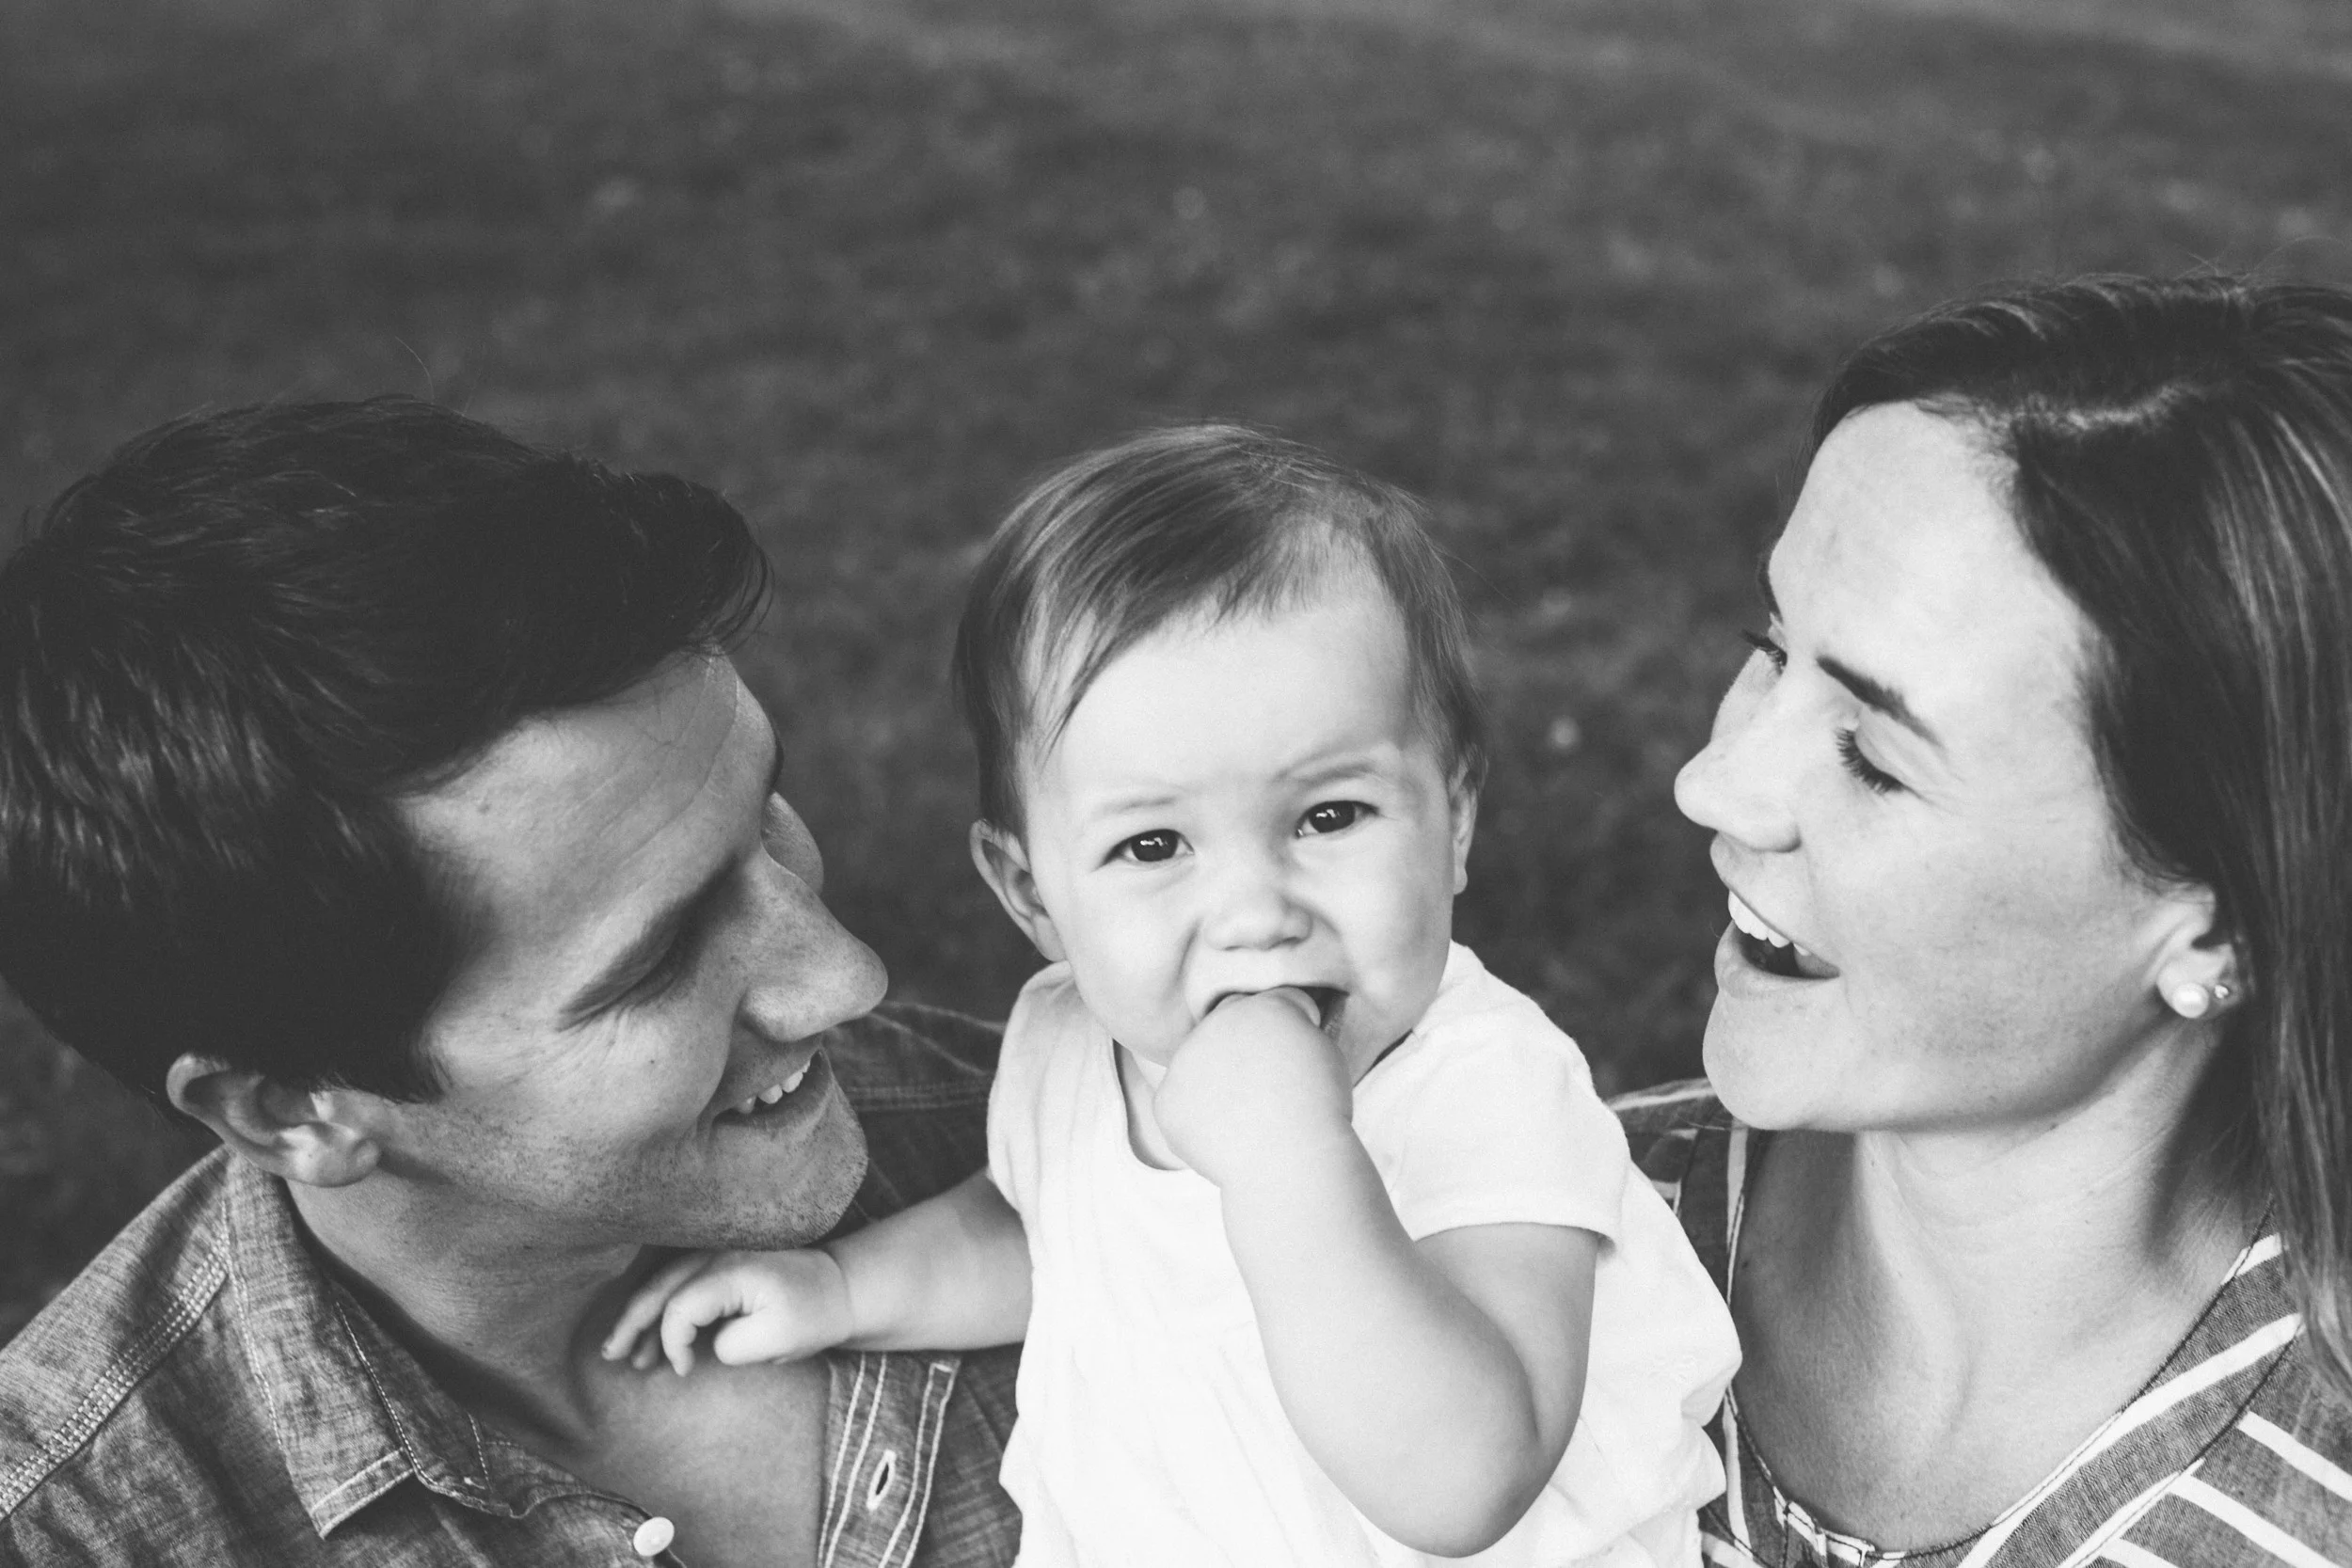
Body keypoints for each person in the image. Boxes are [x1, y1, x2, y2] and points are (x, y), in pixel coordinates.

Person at [607, 426, 1742, 1567]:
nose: (1254, 911)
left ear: (1454, 822)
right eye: (1153, 843)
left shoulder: (1483, 1086)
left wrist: (1292, 1162)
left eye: (1329, 815)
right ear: (1031, 893)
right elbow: (1044, 1231)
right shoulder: (1066, 1042)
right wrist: (845, 1288)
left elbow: (1466, 1479)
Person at [0, 397, 1020, 1566]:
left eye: (766, 814)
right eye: (657, 959)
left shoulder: (1074, 1143)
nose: (845, 977)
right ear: (291, 1109)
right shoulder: (71, 1533)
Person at [1628, 274, 2352, 1567]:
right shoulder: (1510, 1247)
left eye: (1873, 756)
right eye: (1771, 645)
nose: (1713, 781)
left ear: (2223, 926)